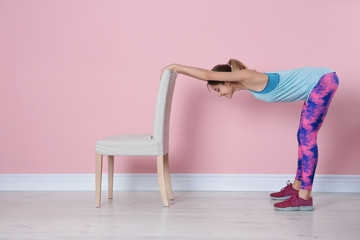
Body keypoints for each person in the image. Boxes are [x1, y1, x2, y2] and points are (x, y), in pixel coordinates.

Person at [161, 59, 339, 211]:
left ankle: (304, 197)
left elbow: (208, 75)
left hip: (323, 81)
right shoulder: (248, 85)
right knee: (302, 135)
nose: (219, 95)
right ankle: (296, 187)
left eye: (218, 90)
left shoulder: (247, 76)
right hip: (318, 83)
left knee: (307, 137)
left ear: (227, 81)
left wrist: (175, 67)